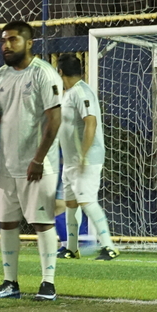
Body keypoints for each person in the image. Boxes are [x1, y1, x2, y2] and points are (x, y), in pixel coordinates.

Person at [0, 21, 62, 301]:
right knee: (6, 223)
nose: (6, 45)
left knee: (42, 222)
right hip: (7, 165)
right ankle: (9, 283)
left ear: (29, 43)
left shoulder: (44, 74)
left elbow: (54, 120)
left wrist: (38, 159)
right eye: (4, 40)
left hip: (38, 166)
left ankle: (48, 283)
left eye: (13, 40)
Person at [54, 53, 120, 261]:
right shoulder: (69, 93)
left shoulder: (82, 92)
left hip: (86, 159)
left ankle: (109, 246)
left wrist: (83, 155)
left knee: (88, 202)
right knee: (71, 203)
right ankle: (71, 248)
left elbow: (90, 123)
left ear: (60, 71)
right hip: (71, 160)